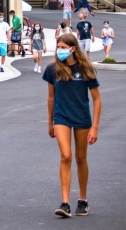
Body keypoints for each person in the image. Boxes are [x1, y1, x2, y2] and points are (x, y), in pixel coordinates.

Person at [44, 33, 102, 218]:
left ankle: (82, 199)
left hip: (82, 117)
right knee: (66, 156)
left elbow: (97, 100)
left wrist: (95, 127)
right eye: (58, 46)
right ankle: (65, 202)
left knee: (80, 158)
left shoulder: (86, 69)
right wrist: (50, 122)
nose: (59, 50)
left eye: (63, 47)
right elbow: (51, 97)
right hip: (62, 117)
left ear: (73, 48)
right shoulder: (53, 70)